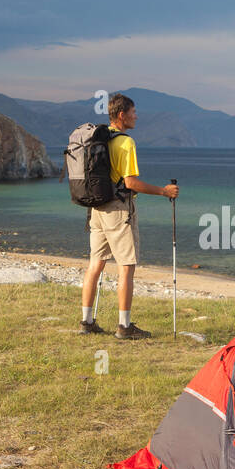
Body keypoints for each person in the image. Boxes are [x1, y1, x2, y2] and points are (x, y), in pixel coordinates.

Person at [80, 92, 179, 339]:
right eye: (133, 112)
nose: (137, 116)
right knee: (126, 267)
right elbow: (131, 182)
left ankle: (87, 321)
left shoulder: (99, 138)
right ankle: (124, 326)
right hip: (119, 210)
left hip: (97, 207)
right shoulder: (125, 143)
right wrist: (163, 191)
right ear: (122, 115)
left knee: (95, 265)